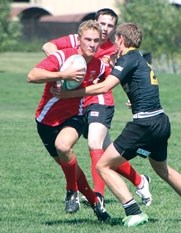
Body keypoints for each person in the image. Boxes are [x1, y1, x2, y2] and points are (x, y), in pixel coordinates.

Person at [51, 22, 181, 227]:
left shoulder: (129, 58)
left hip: (145, 124)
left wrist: (69, 94)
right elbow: (142, 84)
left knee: (103, 165)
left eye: (115, 39)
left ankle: (133, 211)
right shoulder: (139, 59)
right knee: (162, 169)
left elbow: (105, 87)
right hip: (160, 121)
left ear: (121, 40)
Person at [43, 8, 152, 207]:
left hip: (99, 100)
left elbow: (138, 70)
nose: (105, 29)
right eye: (102, 23)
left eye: (110, 26)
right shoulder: (81, 39)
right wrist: (63, 67)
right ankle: (140, 180)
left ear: (114, 30)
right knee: (106, 151)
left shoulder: (114, 49)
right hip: (77, 103)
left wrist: (137, 97)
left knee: (95, 144)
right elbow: (48, 46)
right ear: (95, 22)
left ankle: (98, 196)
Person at [27, 20, 112, 222]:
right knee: (71, 167)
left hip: (75, 116)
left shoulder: (99, 65)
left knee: (63, 147)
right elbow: (32, 76)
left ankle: (70, 190)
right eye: (88, 40)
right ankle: (95, 204)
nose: (92, 44)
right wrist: (63, 74)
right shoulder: (62, 57)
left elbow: (111, 81)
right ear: (79, 40)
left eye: (96, 41)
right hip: (45, 121)